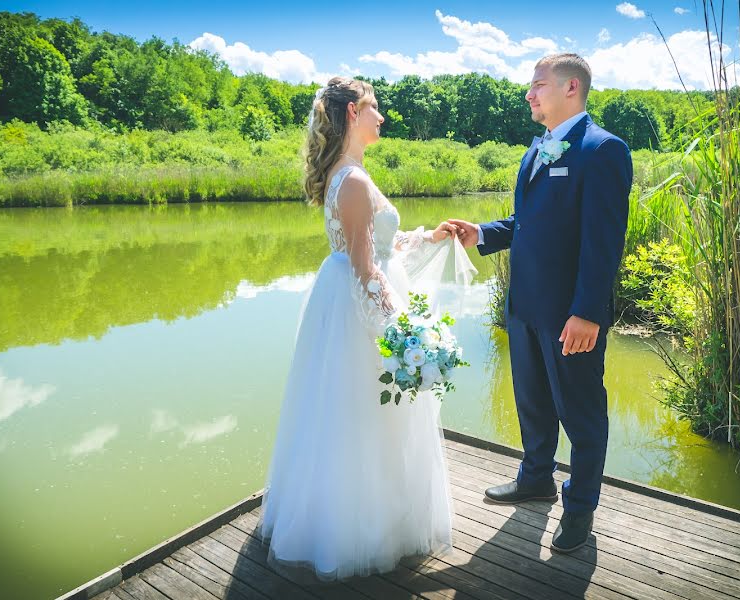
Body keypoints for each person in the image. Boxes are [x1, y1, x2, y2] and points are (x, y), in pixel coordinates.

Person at [257, 76, 475, 580]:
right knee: (359, 416)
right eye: (375, 109)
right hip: (358, 309)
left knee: (356, 414)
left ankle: (378, 520)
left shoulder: (352, 172)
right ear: (353, 113)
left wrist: (428, 237)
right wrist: (401, 330)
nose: (382, 118)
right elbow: (364, 267)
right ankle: (356, 530)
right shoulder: (351, 180)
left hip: (351, 299)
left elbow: (380, 250)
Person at [450, 53, 632, 553]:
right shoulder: (536, 151)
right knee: (532, 404)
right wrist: (481, 233)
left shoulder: (603, 150)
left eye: (537, 86)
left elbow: (604, 243)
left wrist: (589, 313)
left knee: (582, 412)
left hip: (571, 317)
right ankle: (536, 478)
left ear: (571, 88)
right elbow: (525, 223)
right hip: (525, 307)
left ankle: (579, 511)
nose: (529, 94)